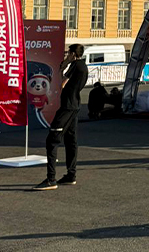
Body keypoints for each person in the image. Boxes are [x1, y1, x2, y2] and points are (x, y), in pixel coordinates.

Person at [33, 44, 89, 191]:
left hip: (67, 108)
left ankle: (51, 179)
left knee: (52, 140)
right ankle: (71, 175)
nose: (66, 56)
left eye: (67, 53)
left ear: (72, 54)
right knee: (71, 140)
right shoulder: (83, 66)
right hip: (75, 106)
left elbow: (61, 83)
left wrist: (63, 66)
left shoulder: (75, 65)